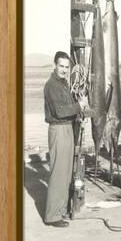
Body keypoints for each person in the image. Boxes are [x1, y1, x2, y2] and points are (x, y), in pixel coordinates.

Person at [43, 51, 88, 228]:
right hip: (59, 130)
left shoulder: (63, 84)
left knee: (66, 173)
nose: (63, 70)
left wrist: (79, 111)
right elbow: (60, 112)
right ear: (54, 65)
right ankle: (52, 216)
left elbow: (68, 109)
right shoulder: (52, 85)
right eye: (60, 66)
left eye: (66, 67)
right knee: (58, 173)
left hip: (67, 128)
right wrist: (79, 105)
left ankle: (60, 211)